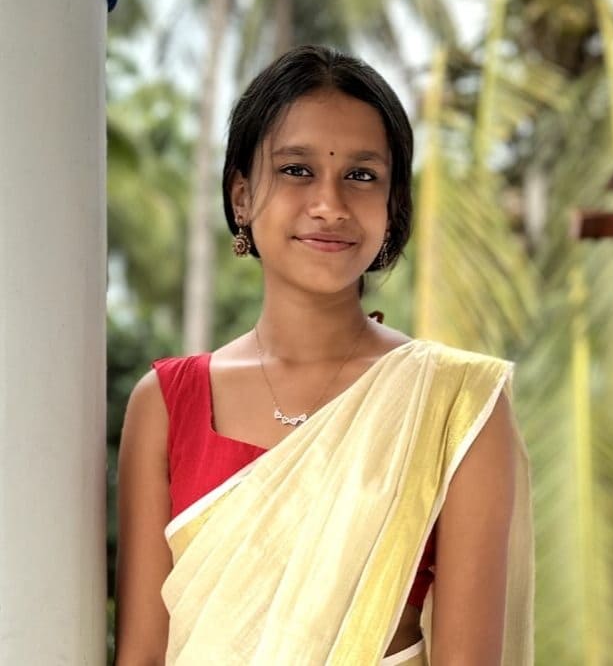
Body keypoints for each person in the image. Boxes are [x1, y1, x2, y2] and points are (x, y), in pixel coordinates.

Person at [114, 45, 534, 666]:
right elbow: (142, 655)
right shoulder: (166, 405)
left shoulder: (455, 404)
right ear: (241, 196)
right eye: (296, 170)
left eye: (361, 176)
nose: (330, 205)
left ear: (392, 206)